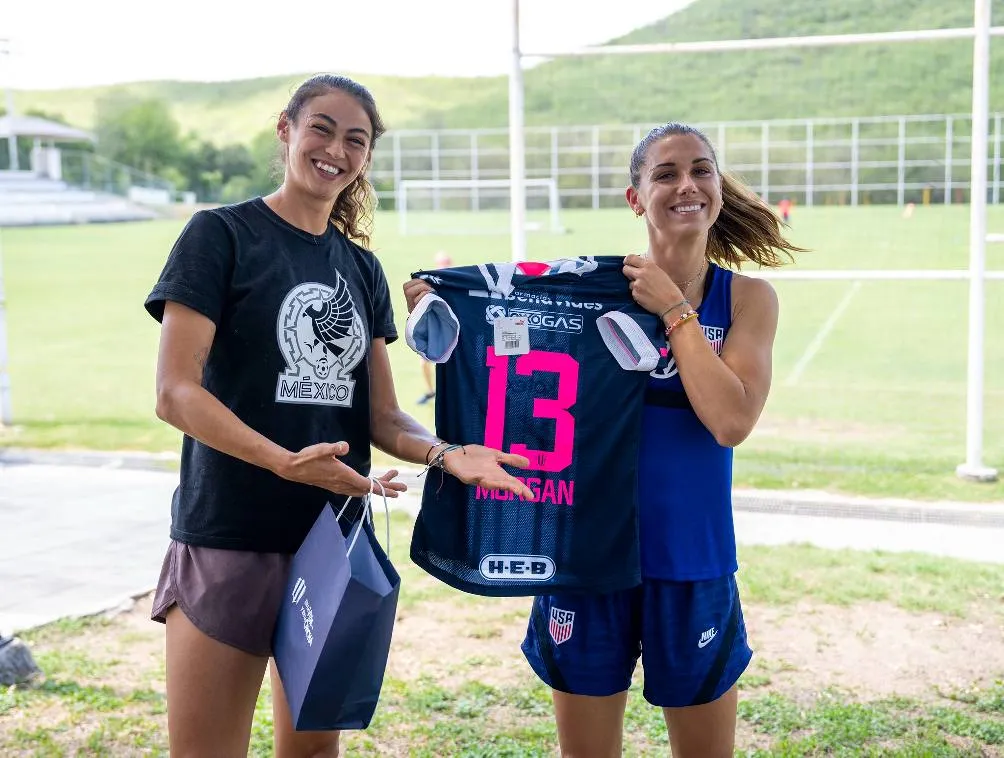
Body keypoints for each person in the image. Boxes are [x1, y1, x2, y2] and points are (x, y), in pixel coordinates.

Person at [144, 74, 534, 758]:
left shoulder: (359, 266)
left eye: (356, 140)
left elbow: (383, 417)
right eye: (321, 127)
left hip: (330, 548)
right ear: (286, 129)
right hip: (228, 536)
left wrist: (446, 453)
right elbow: (175, 392)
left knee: (315, 752)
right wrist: (282, 462)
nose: (336, 149)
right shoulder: (221, 235)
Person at [403, 121, 805, 758]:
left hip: (691, 557)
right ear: (636, 197)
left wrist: (674, 310)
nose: (687, 185)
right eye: (665, 174)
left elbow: (732, 422)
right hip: (586, 554)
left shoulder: (749, 298)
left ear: (719, 188)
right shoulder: (586, 293)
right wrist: (444, 295)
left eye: (701, 170)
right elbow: (498, 323)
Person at [417, 250, 453, 405]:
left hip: (450, 330)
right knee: (424, 362)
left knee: (448, 364)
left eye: (445, 263)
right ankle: (431, 391)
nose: (442, 266)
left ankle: (448, 394)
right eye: (440, 263)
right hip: (434, 329)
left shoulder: (453, 283)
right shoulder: (432, 283)